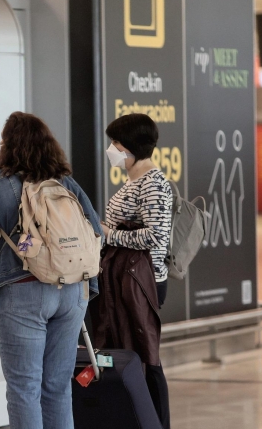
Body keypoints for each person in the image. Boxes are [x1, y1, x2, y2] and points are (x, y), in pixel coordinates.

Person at [0, 111, 101, 429]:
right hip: (71, 293)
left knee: (24, 390)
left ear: (6, 144)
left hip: (22, 291)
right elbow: (97, 230)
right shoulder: (64, 180)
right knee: (56, 388)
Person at [99, 113, 172, 429]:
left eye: (115, 143)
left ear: (129, 146)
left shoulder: (153, 185)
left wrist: (108, 234)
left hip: (143, 282)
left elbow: (156, 235)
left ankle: (154, 420)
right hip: (126, 279)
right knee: (129, 354)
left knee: (145, 356)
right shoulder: (134, 182)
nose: (111, 149)